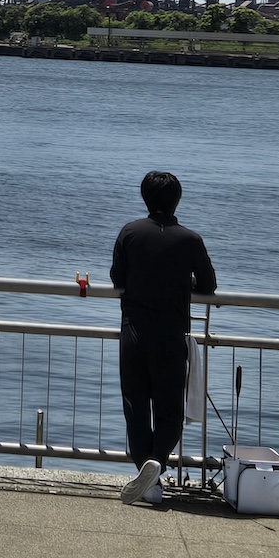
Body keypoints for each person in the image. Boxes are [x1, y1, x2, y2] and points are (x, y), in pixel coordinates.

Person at [110, 170, 216, 505]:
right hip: (171, 334)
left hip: (134, 331)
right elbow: (209, 284)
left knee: (136, 407)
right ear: (177, 200)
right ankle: (157, 463)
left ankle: (149, 478)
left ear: (145, 198)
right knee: (169, 410)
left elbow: (117, 279)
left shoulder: (130, 232)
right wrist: (183, 285)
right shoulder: (190, 239)